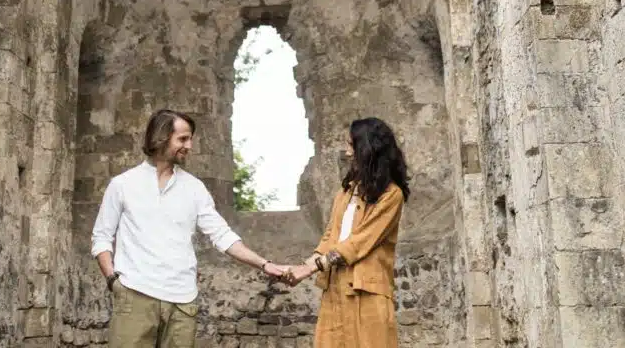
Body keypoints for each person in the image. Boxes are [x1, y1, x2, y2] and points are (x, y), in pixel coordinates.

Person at [91, 108, 286, 347]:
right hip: (134, 296)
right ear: (161, 138)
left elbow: (222, 235)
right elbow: (101, 236)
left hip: (183, 303)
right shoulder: (122, 184)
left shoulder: (194, 188)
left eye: (190, 138)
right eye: (183, 138)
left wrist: (264, 264)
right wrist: (113, 281)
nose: (190, 145)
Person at [281, 117, 410, 348]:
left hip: (366, 291)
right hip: (335, 288)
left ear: (368, 149)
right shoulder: (347, 192)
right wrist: (302, 267)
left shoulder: (392, 195)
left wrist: (312, 267)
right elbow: (330, 237)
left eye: (352, 145)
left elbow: (359, 242)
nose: (347, 153)